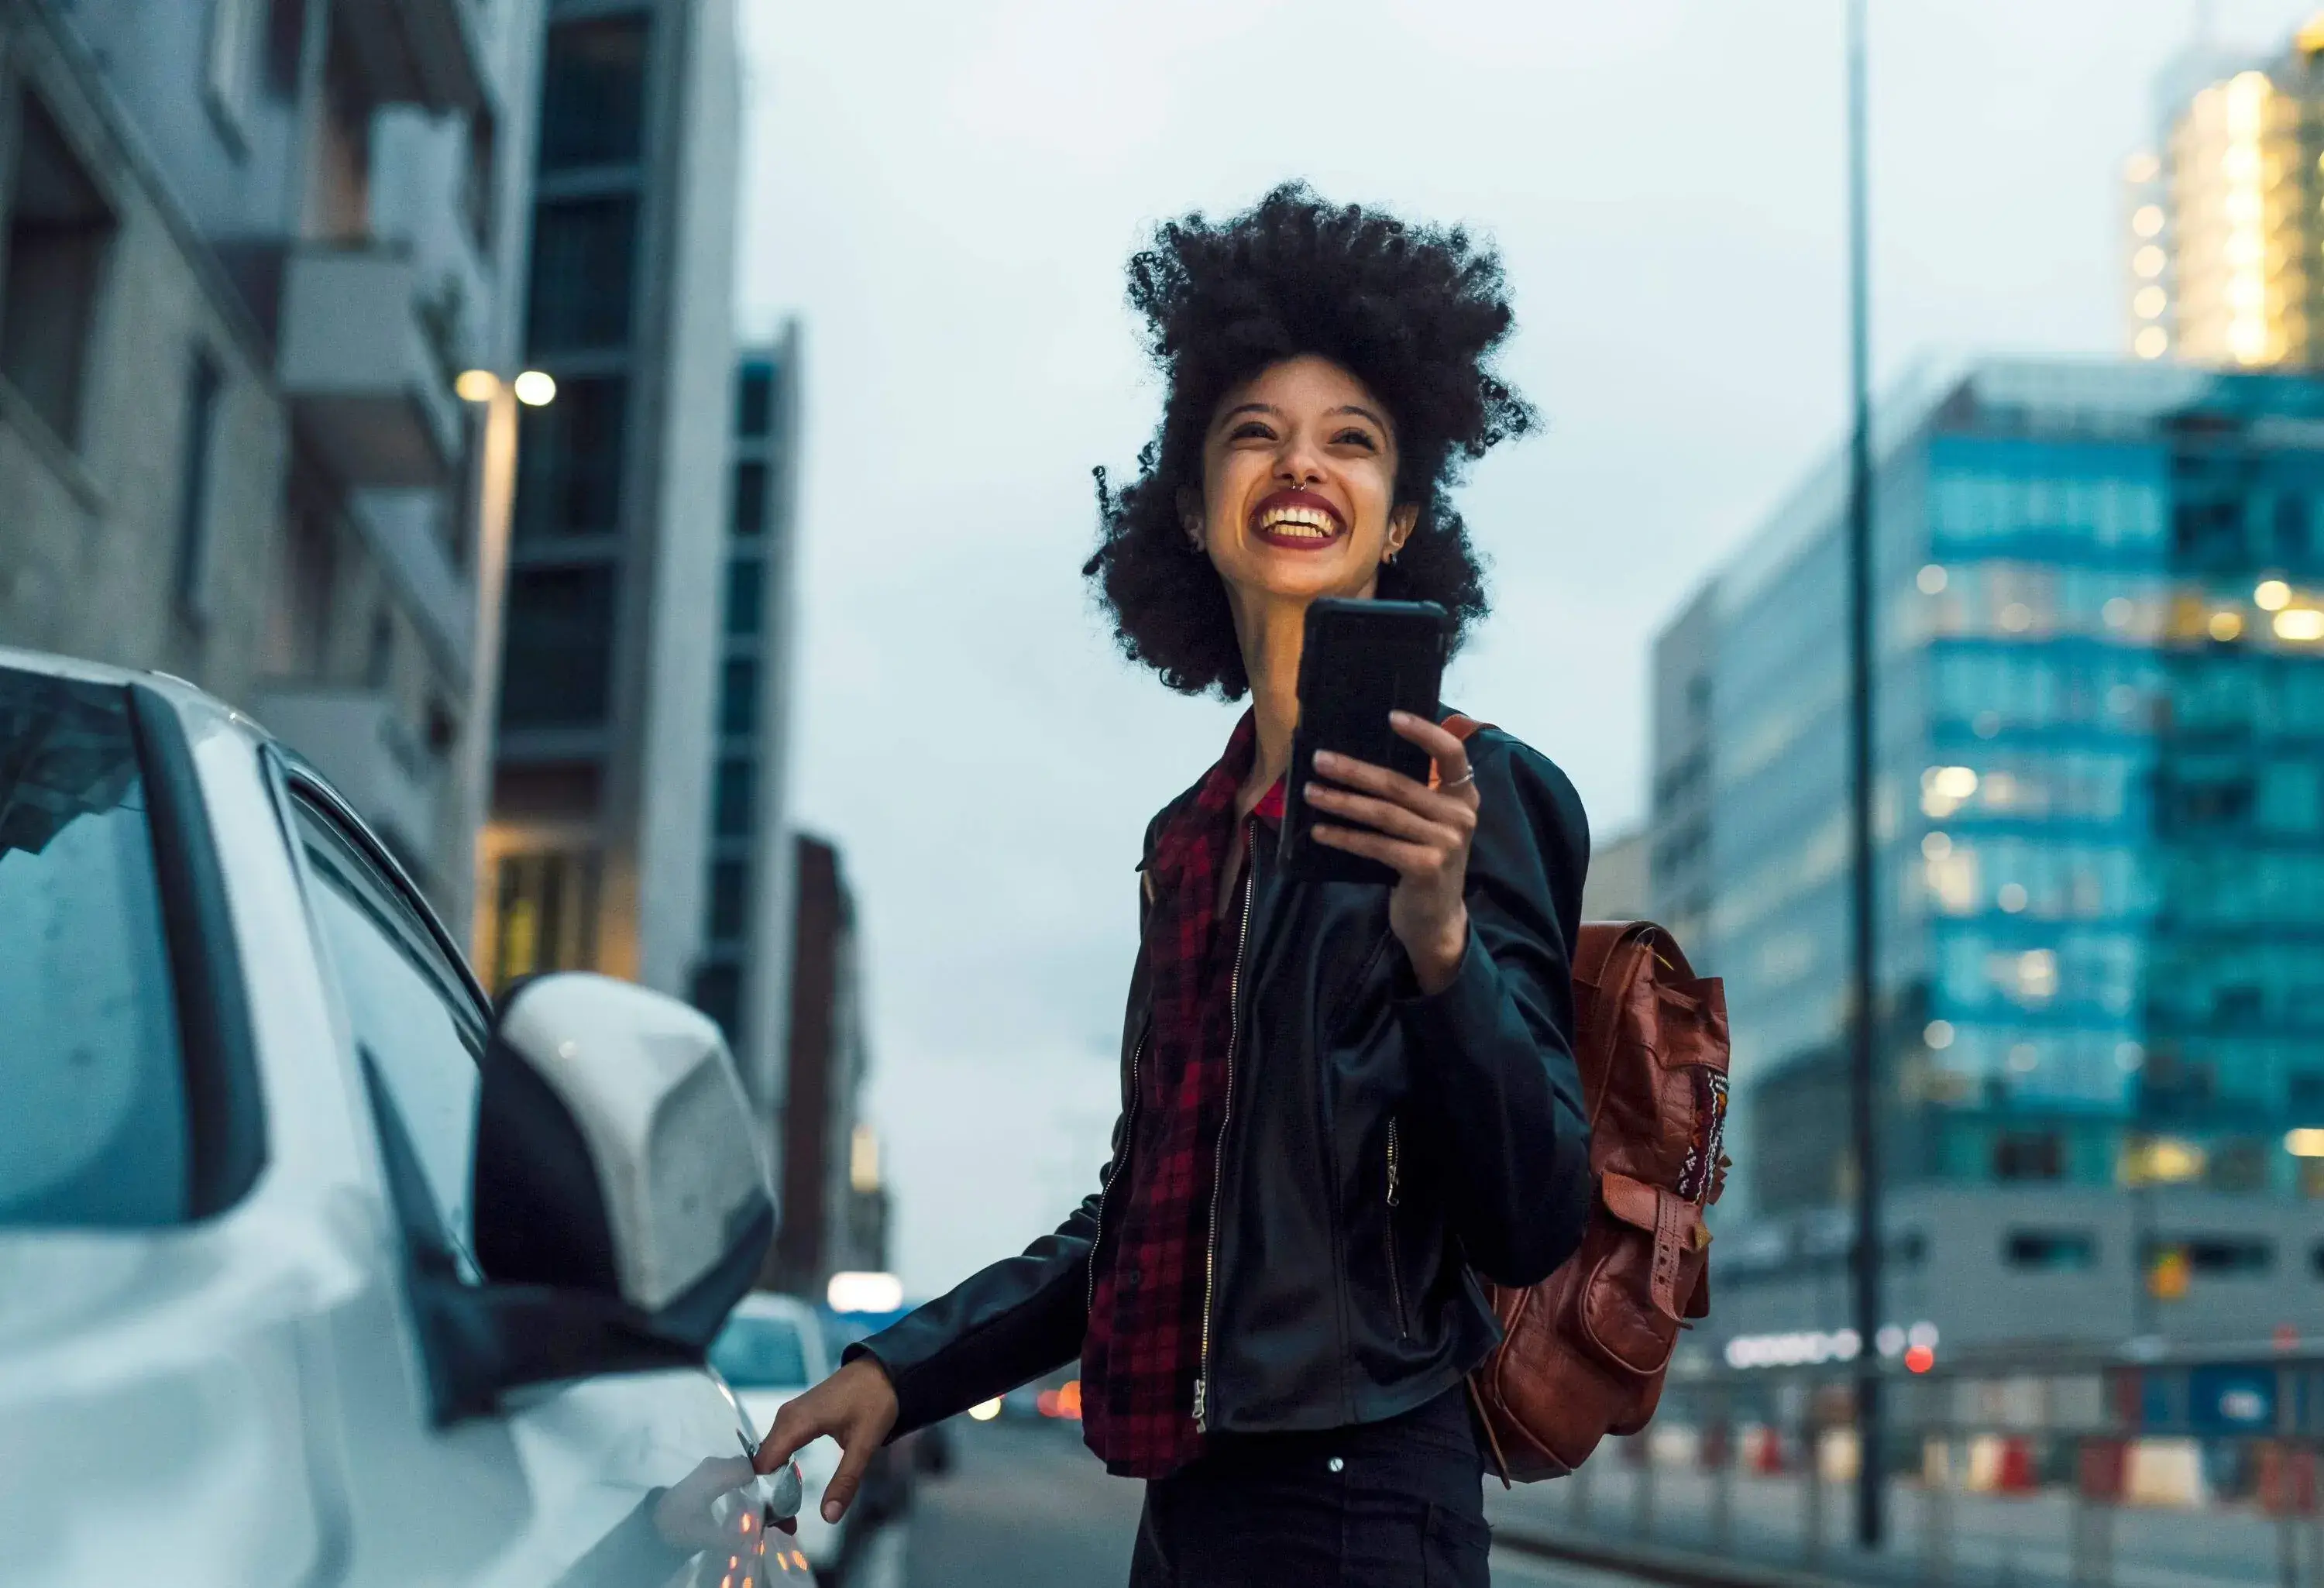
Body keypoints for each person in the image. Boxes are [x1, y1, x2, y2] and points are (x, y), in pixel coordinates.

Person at [755, 184, 1593, 1586]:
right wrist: (903, 1372)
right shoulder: (1194, 836)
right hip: (1191, 1501)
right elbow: (1148, 1215)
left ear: (1400, 521)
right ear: (1199, 514)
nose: (1299, 464)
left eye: (1352, 442)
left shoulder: (1476, 791)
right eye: (1253, 436)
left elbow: (1533, 1209)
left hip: (1367, 1493)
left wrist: (1441, 944)